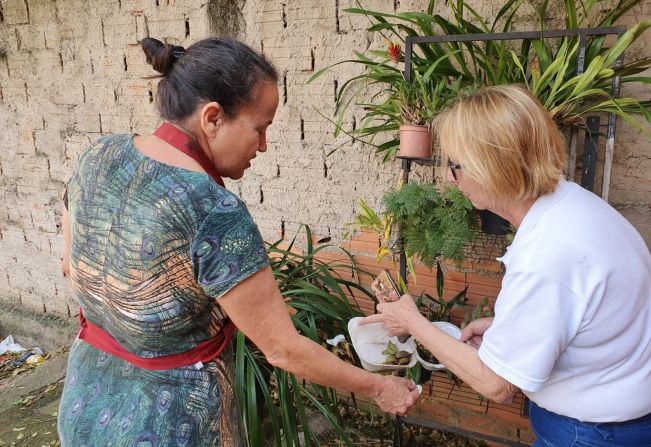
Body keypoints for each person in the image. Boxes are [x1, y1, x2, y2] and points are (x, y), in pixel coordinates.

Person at [58, 37, 420, 446]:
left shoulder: (98, 155)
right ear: (212, 117)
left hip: (86, 405)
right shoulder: (214, 211)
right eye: (259, 128)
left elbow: (72, 266)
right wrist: (378, 387)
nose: (263, 146)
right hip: (171, 424)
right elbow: (283, 350)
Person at [362, 85, 651, 446]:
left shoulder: (546, 253)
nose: (450, 179)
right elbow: (592, 315)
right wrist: (509, 328)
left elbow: (497, 384)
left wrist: (412, 322)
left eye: (456, 166)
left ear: (492, 165)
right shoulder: (579, 208)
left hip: (591, 433)